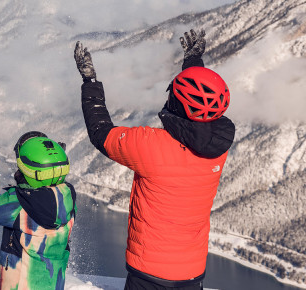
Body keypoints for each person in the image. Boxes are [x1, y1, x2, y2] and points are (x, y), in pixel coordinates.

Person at [73, 29, 235, 290]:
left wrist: (89, 81)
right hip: (192, 272)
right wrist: (193, 63)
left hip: (148, 273)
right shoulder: (218, 148)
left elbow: (100, 132)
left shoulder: (150, 145)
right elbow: (200, 108)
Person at [0, 132, 76, 290]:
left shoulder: (20, 202)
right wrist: (55, 167)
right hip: (54, 284)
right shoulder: (69, 196)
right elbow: (48, 191)